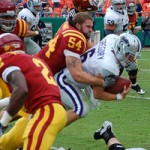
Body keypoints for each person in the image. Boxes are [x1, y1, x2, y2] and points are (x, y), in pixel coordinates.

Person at [55, 32, 141, 126]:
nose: (132, 59)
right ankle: (48, 130)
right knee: (81, 109)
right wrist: (120, 96)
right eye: (130, 55)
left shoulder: (112, 38)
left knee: (59, 110)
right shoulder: (108, 66)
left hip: (73, 77)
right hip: (65, 79)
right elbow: (98, 94)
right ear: (121, 49)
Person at [0, 33, 67, 150]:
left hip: (46, 111)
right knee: (4, 144)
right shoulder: (33, 60)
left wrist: (3, 123)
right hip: (41, 112)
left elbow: (21, 91)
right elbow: (22, 94)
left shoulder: (7, 59)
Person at [104, 0, 145, 95]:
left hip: (124, 41)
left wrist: (141, 28)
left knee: (132, 65)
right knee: (117, 67)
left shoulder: (126, 11)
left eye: (122, 4)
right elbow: (108, 33)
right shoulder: (111, 15)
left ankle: (134, 84)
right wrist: (120, 41)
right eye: (117, 4)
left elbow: (130, 30)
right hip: (114, 42)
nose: (120, 6)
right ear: (113, 5)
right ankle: (102, 84)